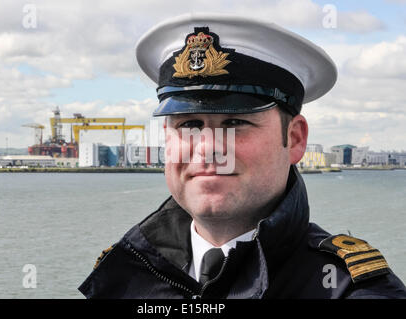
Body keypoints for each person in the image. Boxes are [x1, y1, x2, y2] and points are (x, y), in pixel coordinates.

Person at [78, 13, 406, 299]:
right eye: (189, 124)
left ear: (294, 139)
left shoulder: (351, 290)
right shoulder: (125, 274)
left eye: (235, 123)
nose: (207, 147)